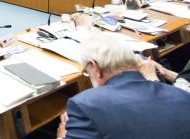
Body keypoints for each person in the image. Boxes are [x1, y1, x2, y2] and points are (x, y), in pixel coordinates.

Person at [56, 34, 190, 139]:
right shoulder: (181, 95)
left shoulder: (86, 104)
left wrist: (63, 135)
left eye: (87, 72)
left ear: (95, 67)